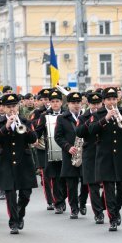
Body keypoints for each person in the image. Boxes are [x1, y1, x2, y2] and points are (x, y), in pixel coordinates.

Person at [87, 87, 122, 231]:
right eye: (108, 99)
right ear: (104, 101)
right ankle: (112, 218)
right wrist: (106, 119)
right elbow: (91, 130)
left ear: (117, 99)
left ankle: (116, 209)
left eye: (114, 99)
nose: (111, 102)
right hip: (105, 156)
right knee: (108, 190)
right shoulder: (98, 114)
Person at [0, 95, 38, 234]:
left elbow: (33, 138)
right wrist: (6, 127)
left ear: (17, 107)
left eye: (14, 106)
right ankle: (13, 222)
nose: (12, 109)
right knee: (10, 194)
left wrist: (23, 126)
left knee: (26, 194)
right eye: (9, 107)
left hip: (23, 161)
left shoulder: (25, 121)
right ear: (4, 108)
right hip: (6, 161)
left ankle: (19, 213)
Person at [75, 92, 106, 223]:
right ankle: (98, 213)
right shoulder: (84, 117)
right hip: (90, 154)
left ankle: (104, 205)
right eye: (93, 104)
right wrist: (91, 119)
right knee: (93, 186)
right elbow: (79, 132)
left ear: (102, 103)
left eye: (98, 103)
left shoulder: (108, 114)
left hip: (105, 154)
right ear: (88, 104)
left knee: (108, 184)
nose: (96, 106)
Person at [53, 91, 84, 219]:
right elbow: (58, 137)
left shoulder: (86, 116)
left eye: (78, 103)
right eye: (73, 103)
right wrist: (68, 147)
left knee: (86, 183)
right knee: (71, 184)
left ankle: (82, 202)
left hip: (86, 154)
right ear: (68, 104)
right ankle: (74, 208)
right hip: (70, 155)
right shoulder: (62, 118)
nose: (76, 105)